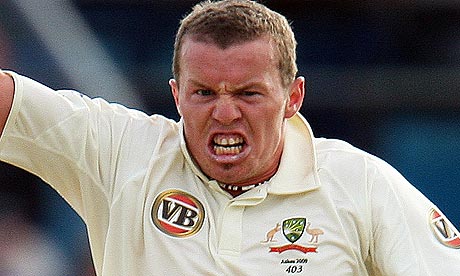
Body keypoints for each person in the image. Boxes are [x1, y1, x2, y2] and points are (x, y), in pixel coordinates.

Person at [0, 0, 459, 275]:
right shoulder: (122, 153)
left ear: (293, 96)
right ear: (176, 96)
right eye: (203, 92)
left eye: (248, 93)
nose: (224, 112)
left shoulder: (359, 182)